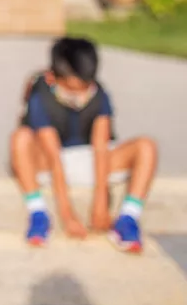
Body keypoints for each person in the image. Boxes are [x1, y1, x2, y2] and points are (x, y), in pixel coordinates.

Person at [9, 37, 158, 253]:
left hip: (89, 159)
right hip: (51, 164)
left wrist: (101, 204)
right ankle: (38, 214)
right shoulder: (40, 94)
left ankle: (128, 219)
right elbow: (54, 158)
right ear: (53, 77)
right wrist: (67, 214)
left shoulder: (99, 94)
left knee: (147, 146)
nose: (80, 95)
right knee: (20, 138)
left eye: (85, 87)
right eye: (72, 88)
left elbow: (100, 148)